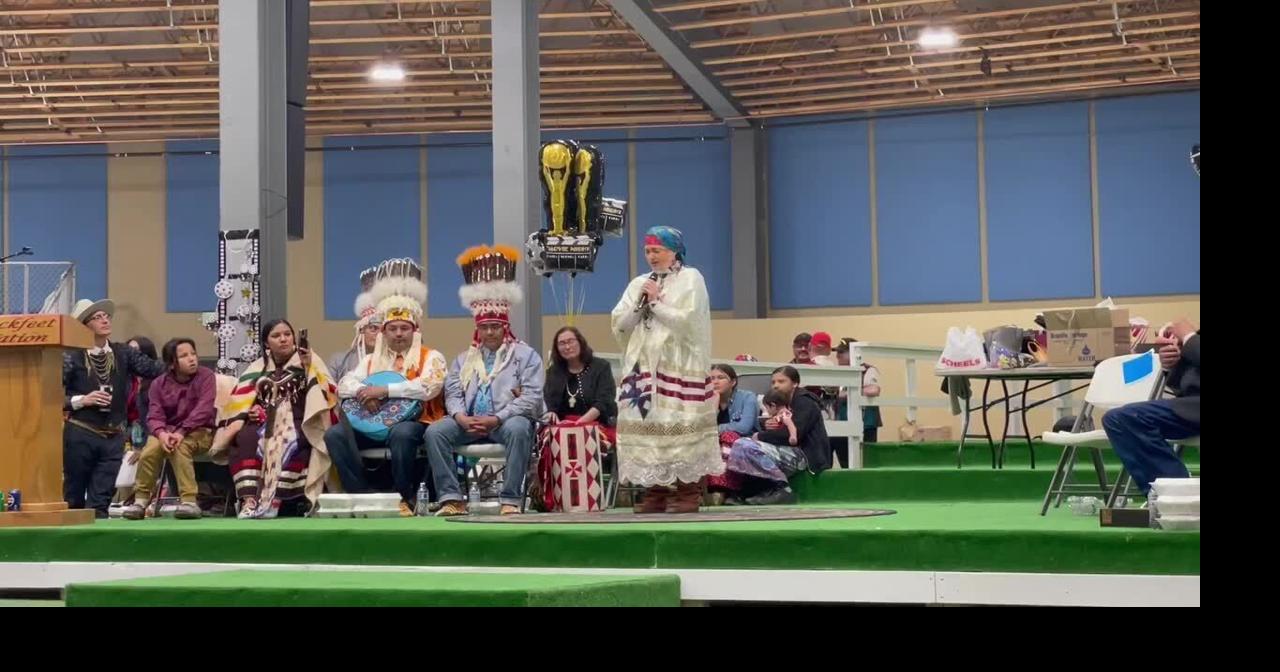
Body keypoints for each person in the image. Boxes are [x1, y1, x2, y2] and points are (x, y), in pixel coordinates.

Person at [425, 245, 544, 517]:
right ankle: (452, 498)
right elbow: (453, 392)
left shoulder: (525, 356)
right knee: (435, 431)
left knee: (518, 427)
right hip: (469, 422)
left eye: (495, 327)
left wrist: (498, 418)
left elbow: (531, 398)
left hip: (504, 422)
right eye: (484, 327)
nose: (490, 332)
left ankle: (511, 499)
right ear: (477, 328)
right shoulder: (463, 359)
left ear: (505, 327)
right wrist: (459, 417)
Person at [612, 226, 723, 514]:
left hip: (679, 365)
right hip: (643, 369)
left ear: (674, 250)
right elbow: (620, 323)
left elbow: (689, 321)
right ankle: (655, 490)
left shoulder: (691, 278)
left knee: (679, 423)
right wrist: (640, 306)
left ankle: (688, 491)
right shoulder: (639, 282)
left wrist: (656, 303)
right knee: (649, 427)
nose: (651, 256)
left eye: (657, 250)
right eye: (648, 251)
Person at [327, 258, 447, 516]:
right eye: (392, 328)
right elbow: (345, 384)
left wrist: (385, 391)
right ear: (384, 332)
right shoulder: (371, 361)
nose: (399, 333)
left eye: (405, 328)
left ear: (415, 331)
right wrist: (364, 393)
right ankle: (360, 496)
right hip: (372, 422)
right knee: (335, 435)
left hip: (418, 422)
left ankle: (403, 496)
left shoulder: (431, 356)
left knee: (402, 433)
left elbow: (429, 387)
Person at [212, 318, 337, 519]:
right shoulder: (257, 367)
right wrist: (251, 410)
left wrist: (308, 368)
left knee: (285, 440)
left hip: (300, 420)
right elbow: (241, 399)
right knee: (246, 437)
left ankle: (274, 499)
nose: (283, 339)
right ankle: (249, 500)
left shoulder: (310, 360)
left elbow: (327, 393)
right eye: (276, 336)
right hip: (263, 421)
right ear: (266, 343)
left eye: (287, 334)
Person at [62, 298, 166, 518]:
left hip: (113, 436)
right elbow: (51, 396)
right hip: (81, 432)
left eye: (106, 316)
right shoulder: (71, 357)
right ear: (84, 325)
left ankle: (97, 547)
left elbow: (153, 369)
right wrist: (82, 399)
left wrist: (178, 360)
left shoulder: (123, 353)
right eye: (97, 317)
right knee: (74, 497)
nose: (105, 320)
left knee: (101, 500)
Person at [121, 338, 217, 521]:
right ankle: (140, 501)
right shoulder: (158, 384)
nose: (192, 359)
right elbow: (154, 415)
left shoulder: (206, 376)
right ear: (172, 363)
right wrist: (162, 434)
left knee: (180, 447)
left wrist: (181, 432)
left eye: (193, 354)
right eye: (184, 356)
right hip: (167, 432)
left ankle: (189, 501)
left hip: (199, 430)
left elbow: (203, 411)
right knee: (150, 450)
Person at [1102, 318, 1200, 495]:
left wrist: (1189, 337)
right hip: (1191, 406)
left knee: (1124, 417)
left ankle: (1178, 497)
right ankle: (1174, 494)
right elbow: (1185, 385)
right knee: (1121, 419)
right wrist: (1173, 365)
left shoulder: (1192, 337)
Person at [740, 365, 833, 505]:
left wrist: (760, 436)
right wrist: (768, 428)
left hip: (807, 456)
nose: (776, 386)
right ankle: (750, 491)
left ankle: (782, 489)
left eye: (781, 381)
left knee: (746, 446)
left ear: (795, 383)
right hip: (791, 451)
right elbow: (779, 432)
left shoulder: (805, 402)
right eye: (773, 382)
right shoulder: (779, 403)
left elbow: (794, 436)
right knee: (740, 445)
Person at [543, 326, 616, 432]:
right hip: (562, 428)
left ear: (580, 342)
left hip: (598, 426)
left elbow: (603, 402)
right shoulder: (553, 372)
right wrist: (551, 413)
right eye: (562, 343)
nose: (567, 347)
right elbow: (549, 402)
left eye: (571, 341)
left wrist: (577, 425)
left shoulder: (601, 367)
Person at [329, 266, 383, 383]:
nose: (378, 334)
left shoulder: (395, 361)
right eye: (373, 328)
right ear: (361, 330)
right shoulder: (340, 361)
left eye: (382, 330)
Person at [710, 363, 758, 436]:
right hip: (713, 442)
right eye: (712, 379)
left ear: (733, 382)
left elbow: (744, 428)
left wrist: (711, 429)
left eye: (721, 378)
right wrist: (714, 407)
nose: (715, 382)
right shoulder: (705, 399)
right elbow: (693, 428)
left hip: (744, 442)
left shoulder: (747, 397)